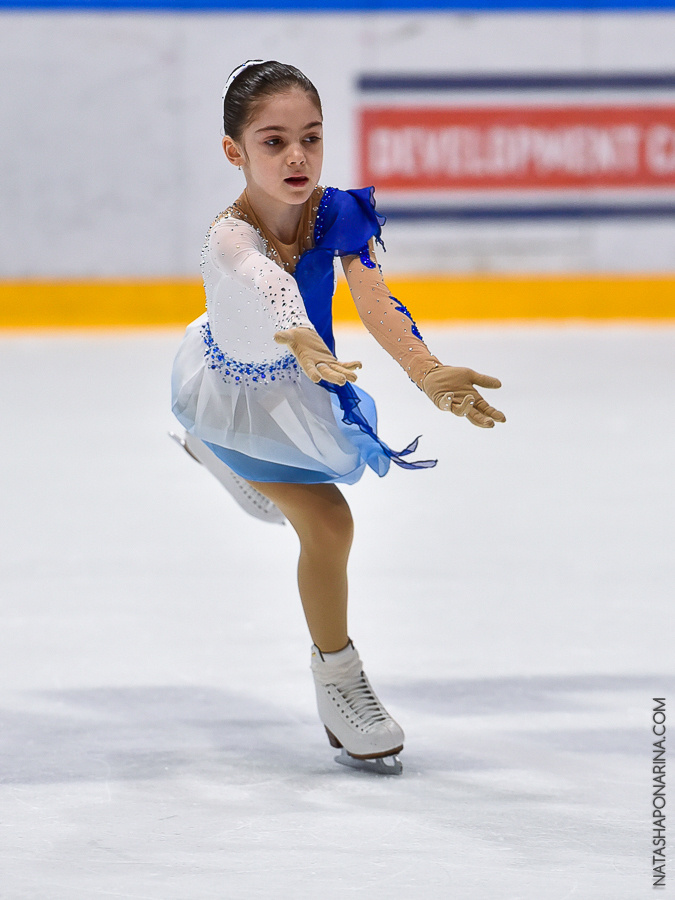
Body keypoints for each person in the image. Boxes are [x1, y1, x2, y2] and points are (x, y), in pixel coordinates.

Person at [171, 60, 505, 775]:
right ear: (235, 151)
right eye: (272, 141)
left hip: (302, 381)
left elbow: (375, 300)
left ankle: (229, 463)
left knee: (280, 512)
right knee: (329, 523)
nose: (296, 157)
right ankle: (338, 679)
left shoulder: (338, 214)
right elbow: (264, 280)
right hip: (235, 389)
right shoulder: (228, 235)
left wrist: (425, 372)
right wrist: (295, 329)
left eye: (310, 138)